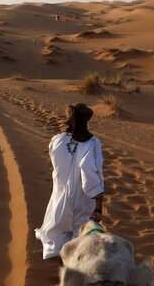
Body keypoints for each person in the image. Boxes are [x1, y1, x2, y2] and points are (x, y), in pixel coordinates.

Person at [35, 103, 105, 259]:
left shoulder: (56, 140)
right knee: (80, 241)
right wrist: (99, 206)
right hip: (83, 199)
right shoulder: (93, 143)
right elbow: (92, 173)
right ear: (86, 120)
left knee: (57, 235)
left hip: (59, 197)